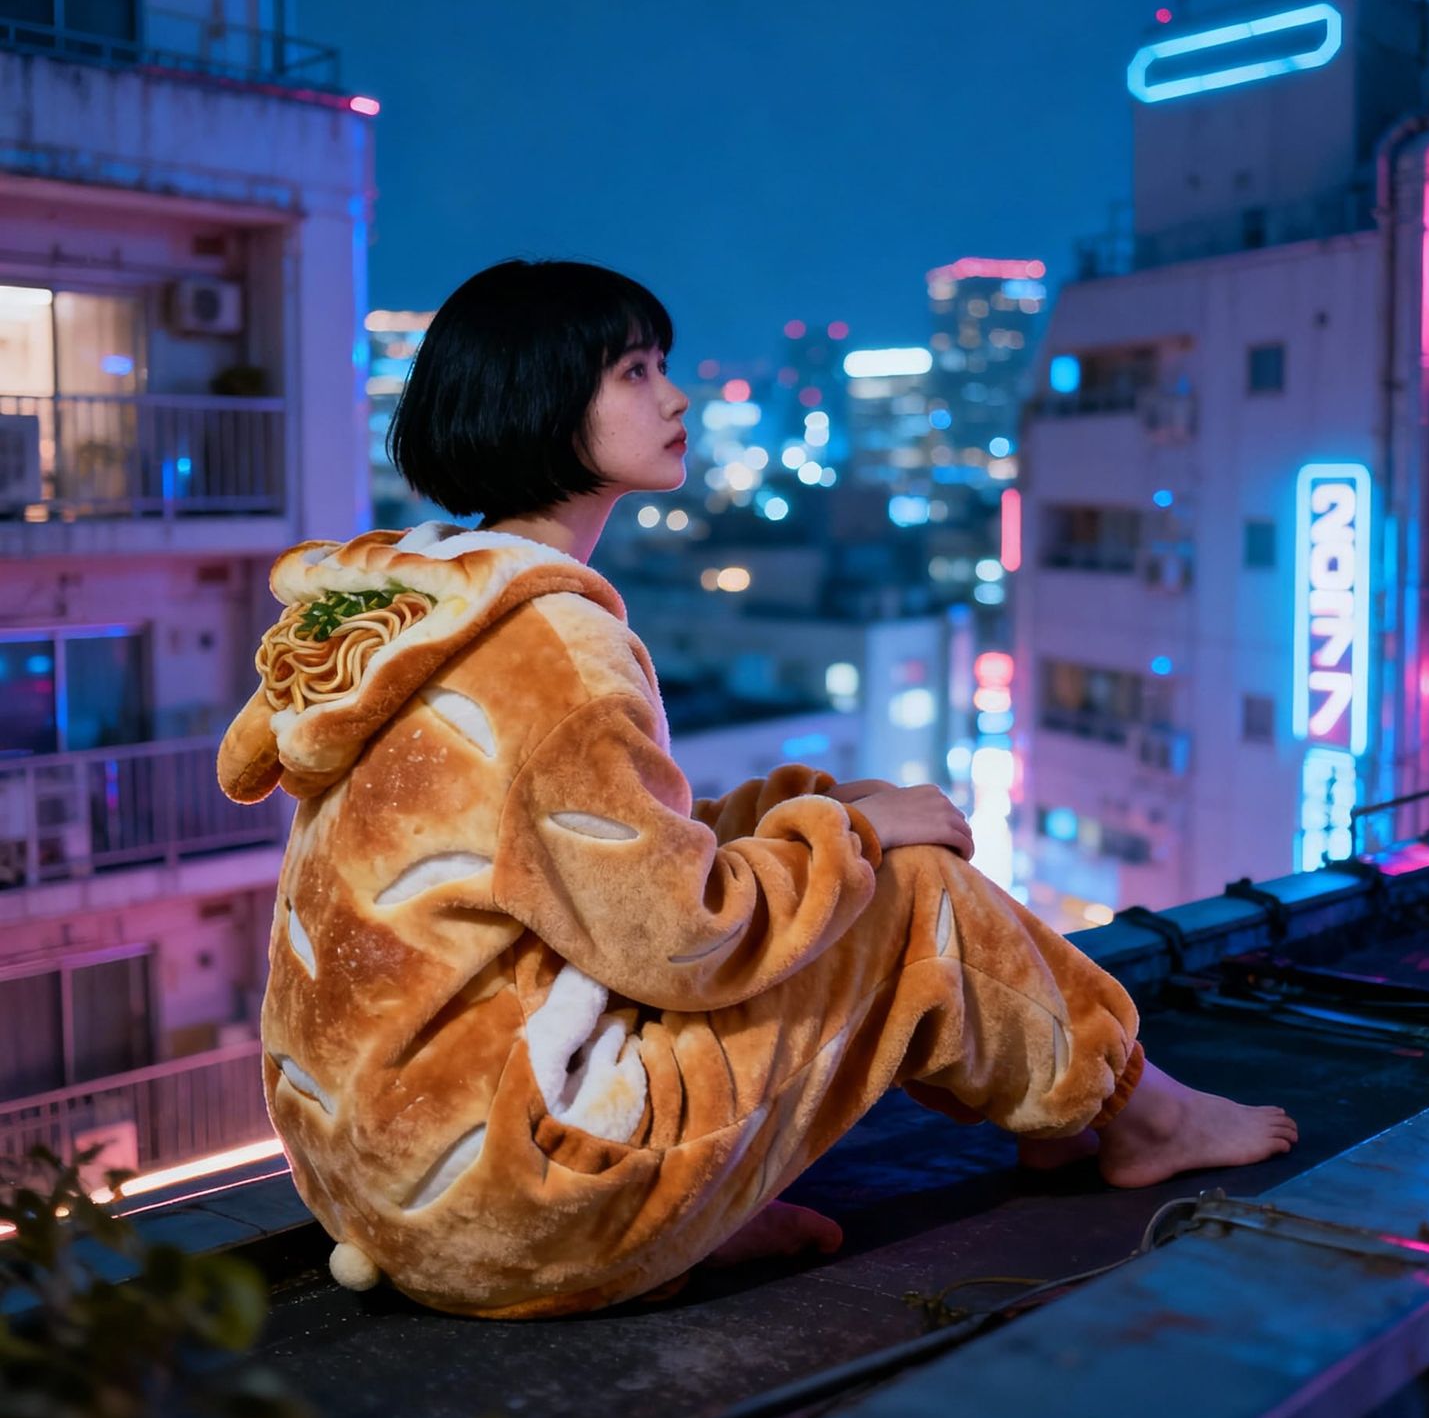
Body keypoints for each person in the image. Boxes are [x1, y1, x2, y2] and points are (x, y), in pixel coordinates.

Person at [217, 259, 1296, 1319]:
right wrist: (854, 835)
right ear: (539, 402)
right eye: (635, 372)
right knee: (910, 893)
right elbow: (679, 939)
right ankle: (1142, 1115)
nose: (676, 397)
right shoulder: (553, 651)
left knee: (835, 827)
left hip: (383, 1182)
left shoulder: (425, 617)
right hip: (522, 1195)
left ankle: (796, 1181)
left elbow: (584, 869)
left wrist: (826, 812)